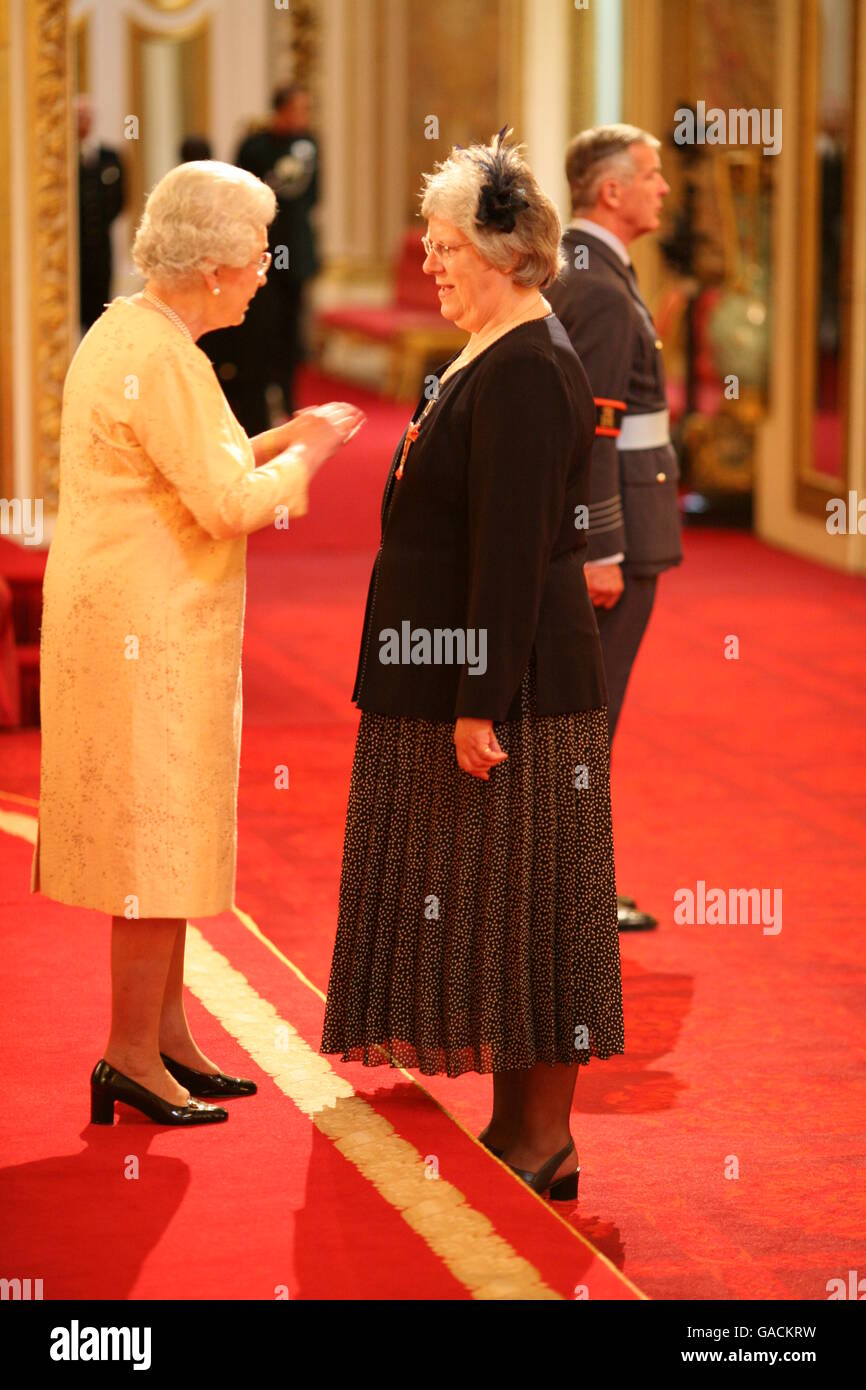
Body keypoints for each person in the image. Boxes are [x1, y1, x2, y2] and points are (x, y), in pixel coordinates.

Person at [320, 130, 624, 1203]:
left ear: (507, 252)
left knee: (533, 914)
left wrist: (475, 702)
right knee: (504, 912)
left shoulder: (531, 366)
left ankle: (543, 1141)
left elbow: (508, 554)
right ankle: (517, 1130)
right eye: (430, 240)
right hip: (467, 674)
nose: (429, 259)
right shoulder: (489, 350)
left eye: (447, 244)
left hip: (519, 696)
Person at [31, 160, 365, 1127]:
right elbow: (224, 506)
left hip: (143, 618)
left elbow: (201, 466)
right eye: (257, 255)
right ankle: (130, 1054)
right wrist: (310, 455)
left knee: (165, 830)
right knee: (148, 839)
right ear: (215, 264)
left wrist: (279, 437)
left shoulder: (138, 329)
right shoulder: (164, 352)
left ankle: (167, 1034)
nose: (266, 271)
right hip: (146, 627)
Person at [547, 124, 683, 932]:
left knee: (591, 717)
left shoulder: (593, 269)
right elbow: (594, 427)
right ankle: (575, 891)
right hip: (617, 538)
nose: (663, 188)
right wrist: (601, 548)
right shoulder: (597, 284)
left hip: (627, 528)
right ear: (612, 192)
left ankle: (579, 882)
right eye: (652, 175)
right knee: (590, 719)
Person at [201, 85, 320, 433]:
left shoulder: (310, 144)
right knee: (262, 331)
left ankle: (289, 400)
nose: (303, 117)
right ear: (280, 111)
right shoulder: (254, 146)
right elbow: (241, 198)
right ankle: (261, 400)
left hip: (295, 253)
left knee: (290, 332)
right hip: (261, 252)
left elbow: (314, 196)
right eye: (298, 109)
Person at [76, 95, 124, 331]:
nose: (83, 122)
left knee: (99, 308)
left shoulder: (109, 157)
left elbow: (120, 199)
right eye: (78, 117)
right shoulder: (60, 158)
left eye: (86, 116)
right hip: (73, 249)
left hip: (101, 248)